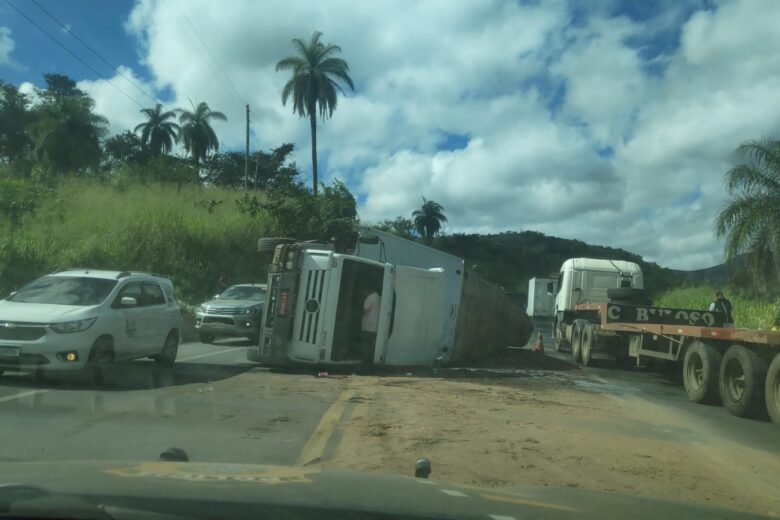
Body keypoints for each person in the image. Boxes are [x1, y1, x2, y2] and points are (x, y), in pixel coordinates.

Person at [361, 282, 382, 365]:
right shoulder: (379, 298)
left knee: (366, 345)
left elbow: (365, 312)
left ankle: (365, 363)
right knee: (372, 346)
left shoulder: (369, 298)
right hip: (376, 327)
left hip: (368, 326)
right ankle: (370, 362)